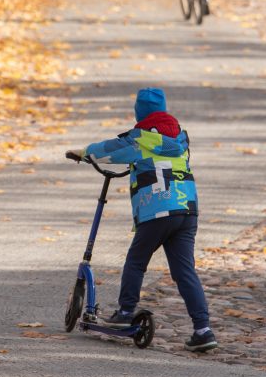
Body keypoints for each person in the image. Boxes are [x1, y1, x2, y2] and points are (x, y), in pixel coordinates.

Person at [65, 88, 217, 353]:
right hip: (187, 210)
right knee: (184, 271)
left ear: (140, 113)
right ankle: (203, 329)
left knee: (136, 261)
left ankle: (125, 311)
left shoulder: (140, 139)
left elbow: (110, 149)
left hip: (157, 210)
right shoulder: (181, 139)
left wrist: (84, 152)